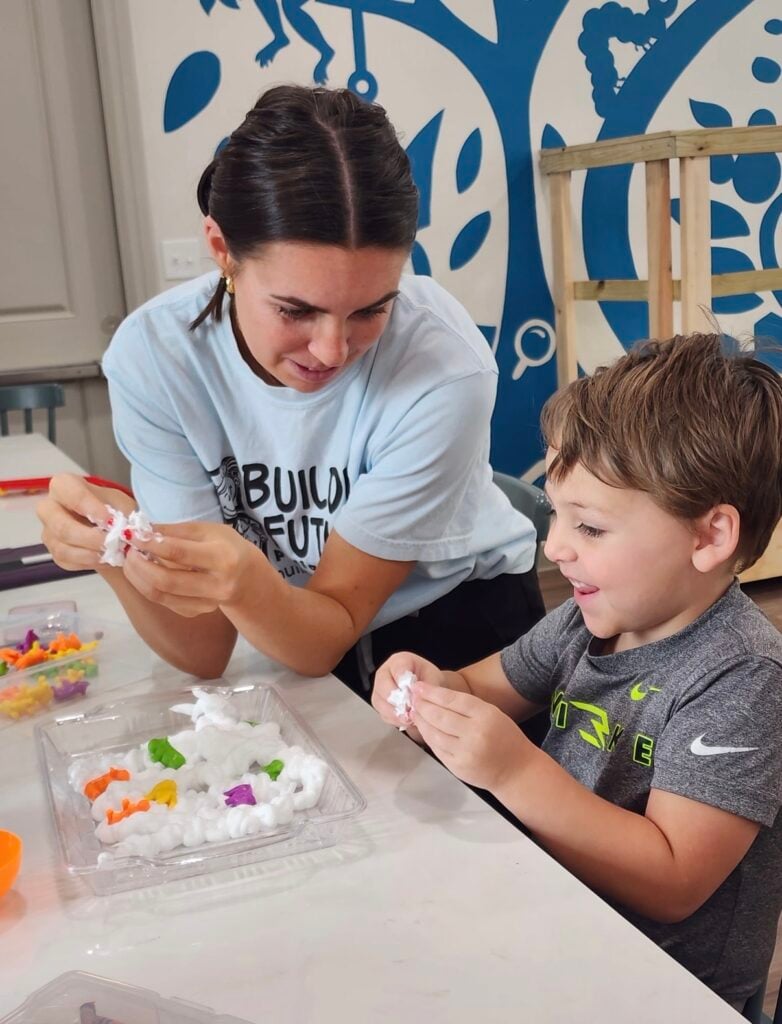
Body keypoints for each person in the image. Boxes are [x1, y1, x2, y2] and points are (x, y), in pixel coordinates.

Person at [37, 85, 543, 695]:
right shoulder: (156, 358)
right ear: (222, 250)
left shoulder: (443, 368)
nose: (332, 350)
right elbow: (204, 648)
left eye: (371, 309)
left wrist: (246, 582)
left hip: (460, 625)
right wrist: (113, 546)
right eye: (295, 310)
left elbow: (325, 633)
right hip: (293, 626)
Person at [371, 333, 782, 1008]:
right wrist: (425, 689)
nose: (555, 546)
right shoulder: (587, 621)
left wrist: (514, 773)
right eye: (556, 514)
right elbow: (476, 688)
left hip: (666, 995)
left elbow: (673, 881)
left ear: (709, 536)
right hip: (558, 934)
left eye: (589, 527)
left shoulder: (743, 678)